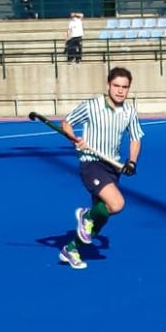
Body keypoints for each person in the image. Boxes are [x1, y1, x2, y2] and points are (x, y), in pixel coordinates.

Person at [56, 67, 144, 271]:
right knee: (117, 203)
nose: (120, 91)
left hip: (113, 166)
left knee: (101, 218)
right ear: (108, 85)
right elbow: (66, 123)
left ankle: (71, 249)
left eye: (125, 87)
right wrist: (74, 139)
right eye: (116, 86)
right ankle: (85, 215)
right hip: (91, 163)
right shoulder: (92, 105)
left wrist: (132, 162)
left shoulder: (130, 111)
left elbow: (136, 137)